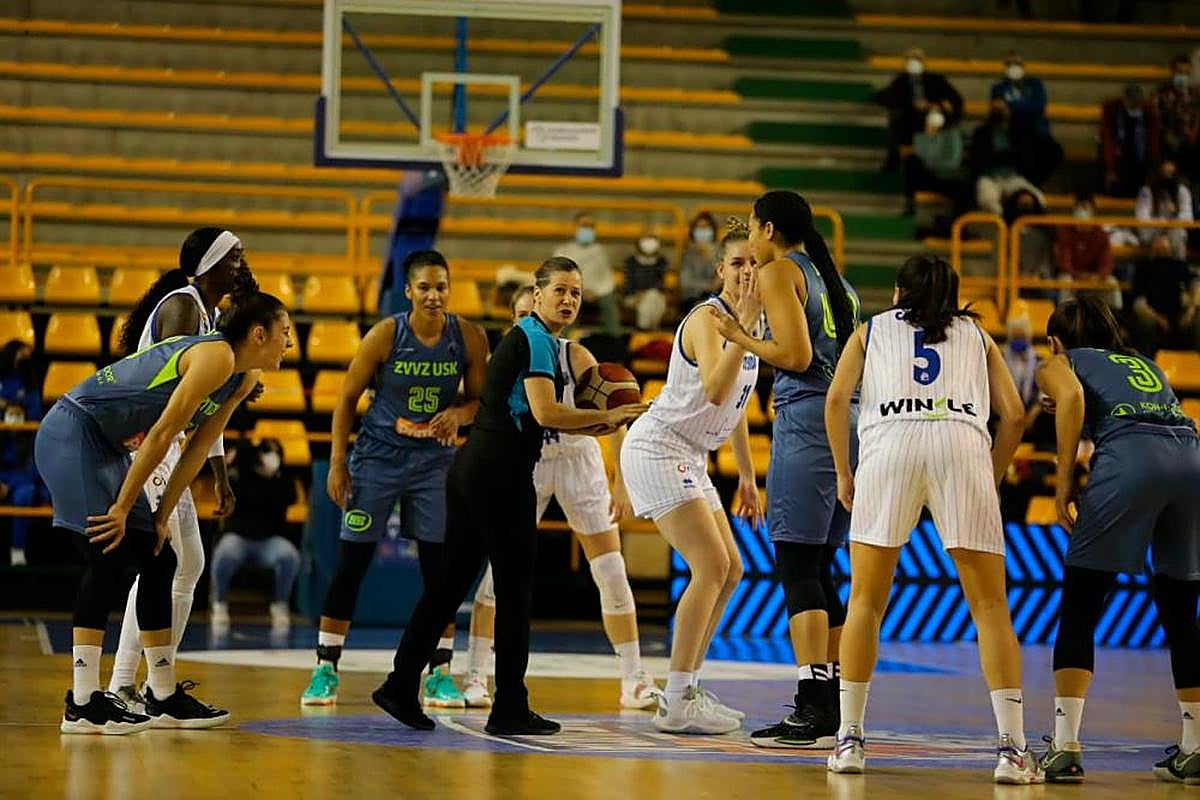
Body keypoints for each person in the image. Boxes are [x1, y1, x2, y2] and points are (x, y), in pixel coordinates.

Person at [373, 257, 645, 736]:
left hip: (474, 469)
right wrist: (610, 417)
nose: (568, 300)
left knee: (449, 586)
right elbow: (546, 413)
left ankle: (399, 684)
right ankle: (510, 707)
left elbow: (547, 416)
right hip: (500, 474)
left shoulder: (538, 341)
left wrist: (603, 422)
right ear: (537, 295)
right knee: (514, 591)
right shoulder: (535, 338)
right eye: (559, 290)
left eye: (576, 293)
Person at [824, 255, 1039, 783]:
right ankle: (1013, 751)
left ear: (900, 292)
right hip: (961, 445)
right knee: (990, 607)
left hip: (889, 446)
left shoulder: (870, 330)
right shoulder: (978, 335)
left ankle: (849, 740)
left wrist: (844, 472)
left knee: (865, 602)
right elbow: (1014, 414)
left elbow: (836, 400)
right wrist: (990, 473)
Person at [35, 291, 289, 733]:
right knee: (107, 552)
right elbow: (162, 433)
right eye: (285, 333)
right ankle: (81, 702)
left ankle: (164, 695)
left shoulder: (243, 377)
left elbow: (196, 449)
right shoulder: (215, 356)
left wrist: (159, 516)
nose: (290, 342)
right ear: (258, 334)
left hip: (109, 447)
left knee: (159, 558)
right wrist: (121, 507)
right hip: (73, 430)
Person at [301, 250, 490, 710]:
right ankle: (325, 668)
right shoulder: (386, 334)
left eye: (441, 286)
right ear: (408, 291)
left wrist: (459, 414)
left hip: (434, 462)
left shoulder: (468, 336)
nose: (433, 295)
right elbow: (346, 400)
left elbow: (480, 403)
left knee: (439, 572)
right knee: (353, 563)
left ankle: (439, 673)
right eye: (424, 287)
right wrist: (339, 462)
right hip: (378, 458)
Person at [712, 192, 859, 749]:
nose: (750, 238)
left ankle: (811, 706)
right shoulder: (836, 280)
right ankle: (835, 702)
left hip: (809, 420)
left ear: (769, 230)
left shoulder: (780, 272)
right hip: (849, 420)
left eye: (752, 227)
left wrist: (740, 336)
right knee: (821, 568)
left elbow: (796, 357)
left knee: (798, 566)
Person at [462, 286, 654, 711]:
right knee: (497, 575)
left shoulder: (575, 355)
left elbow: (612, 410)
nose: (528, 322)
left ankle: (634, 680)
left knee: (611, 571)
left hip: (579, 460)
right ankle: (475, 676)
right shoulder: (504, 361)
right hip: (526, 463)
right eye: (520, 316)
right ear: (513, 320)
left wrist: (622, 480)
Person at [1034, 297, 1200, 784]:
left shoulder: (1059, 362)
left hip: (1130, 459)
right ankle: (1195, 746)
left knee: (1081, 605)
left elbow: (1072, 398)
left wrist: (1064, 485)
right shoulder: (1144, 363)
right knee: (1180, 608)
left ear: (1055, 341)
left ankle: (1065, 744)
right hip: (1191, 459)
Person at [622, 220, 762, 734]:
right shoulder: (709, 319)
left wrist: (746, 474)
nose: (747, 271)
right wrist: (743, 332)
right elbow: (717, 389)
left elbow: (738, 404)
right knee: (710, 567)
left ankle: (690, 688)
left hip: (693, 452)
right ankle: (675, 700)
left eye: (755, 262)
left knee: (732, 570)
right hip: (659, 446)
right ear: (720, 270)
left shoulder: (753, 325)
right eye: (738, 263)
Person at [107, 227, 255, 708]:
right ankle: (126, 683)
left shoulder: (208, 316)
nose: (241, 264)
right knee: (161, 561)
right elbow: (177, 392)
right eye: (234, 257)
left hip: (169, 442)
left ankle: (155, 683)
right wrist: (232, 379)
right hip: (147, 439)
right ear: (208, 265)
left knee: (188, 563)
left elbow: (201, 405)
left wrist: (220, 473)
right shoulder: (182, 307)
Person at [210, 438, 300, 630]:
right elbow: (237, 493)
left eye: (275, 453)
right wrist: (245, 463)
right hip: (239, 537)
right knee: (225, 553)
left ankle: (280, 604)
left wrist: (274, 476)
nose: (270, 457)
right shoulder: (242, 474)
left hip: (269, 541)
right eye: (266, 452)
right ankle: (219, 603)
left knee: (289, 555)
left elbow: (291, 498)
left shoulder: (282, 478)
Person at [874, 48, 964, 171]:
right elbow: (883, 97)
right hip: (910, 117)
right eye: (910, 59)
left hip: (933, 114)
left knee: (936, 119)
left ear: (923, 61)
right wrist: (909, 103)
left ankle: (938, 162)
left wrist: (935, 105)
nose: (914, 62)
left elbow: (956, 99)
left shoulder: (936, 80)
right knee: (896, 117)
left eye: (917, 59)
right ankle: (894, 160)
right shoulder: (901, 81)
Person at [0, 339, 46, 566]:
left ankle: (17, 550)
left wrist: (10, 484)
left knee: (25, 493)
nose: (23, 360)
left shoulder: (31, 388)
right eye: (19, 355)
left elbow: (33, 465)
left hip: (18, 473)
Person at [990, 53, 1063, 186]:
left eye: (1017, 63)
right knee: (1023, 153)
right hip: (1013, 131)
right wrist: (1023, 107)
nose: (1014, 67)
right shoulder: (998, 88)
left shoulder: (1035, 85)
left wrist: (1011, 106)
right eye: (1010, 64)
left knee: (1056, 154)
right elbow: (998, 109)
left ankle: (1034, 183)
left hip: (1037, 130)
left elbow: (1038, 107)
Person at [971, 99, 1048, 216]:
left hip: (1012, 177)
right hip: (989, 177)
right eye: (996, 109)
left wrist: (998, 155)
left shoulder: (1017, 133)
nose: (999, 112)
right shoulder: (981, 133)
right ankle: (1005, 221)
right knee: (987, 201)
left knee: (1039, 198)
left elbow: (1023, 156)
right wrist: (1005, 155)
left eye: (1002, 109)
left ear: (1008, 111)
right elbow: (980, 158)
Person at [1129, 233, 1200, 357]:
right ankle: (1146, 362)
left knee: (1197, 321)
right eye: (1158, 244)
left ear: (1170, 247)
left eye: (1164, 244)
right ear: (1152, 247)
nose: (1161, 246)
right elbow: (1139, 303)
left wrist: (1190, 310)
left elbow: (1196, 284)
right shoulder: (1144, 269)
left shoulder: (1180, 266)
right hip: (1153, 316)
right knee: (1145, 323)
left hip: (1181, 315)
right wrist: (1158, 318)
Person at [555, 211, 619, 336]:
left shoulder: (600, 251)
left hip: (598, 293)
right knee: (566, 304)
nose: (587, 229)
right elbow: (558, 276)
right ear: (576, 227)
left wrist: (596, 291)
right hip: (572, 291)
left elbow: (607, 278)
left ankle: (614, 340)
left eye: (590, 226)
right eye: (584, 225)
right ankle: (565, 340)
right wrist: (580, 290)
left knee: (610, 306)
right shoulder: (563, 250)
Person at [1055, 193, 1120, 308]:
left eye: (1085, 207)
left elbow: (1107, 263)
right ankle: (1063, 315)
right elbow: (1065, 264)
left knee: (1112, 282)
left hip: (1095, 278)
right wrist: (1079, 276)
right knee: (1065, 281)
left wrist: (1098, 276)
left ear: (1092, 211)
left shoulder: (1101, 233)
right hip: (1073, 277)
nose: (1081, 211)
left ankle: (1114, 315)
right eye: (1078, 207)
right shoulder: (1065, 232)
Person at [902, 107, 969, 217]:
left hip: (947, 177)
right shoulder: (920, 137)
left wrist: (931, 165)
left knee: (964, 188)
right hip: (928, 176)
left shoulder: (952, 135)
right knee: (911, 161)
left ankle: (954, 221)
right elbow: (922, 158)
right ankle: (910, 204)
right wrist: (929, 136)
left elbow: (953, 162)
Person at [1101, 85, 1160, 198]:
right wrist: (1110, 171)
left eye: (1137, 106)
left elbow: (1154, 142)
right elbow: (1107, 141)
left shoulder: (1149, 110)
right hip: (1119, 158)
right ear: (1125, 100)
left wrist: (1152, 172)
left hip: (1141, 158)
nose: (1134, 109)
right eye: (1132, 106)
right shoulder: (1112, 109)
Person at [1136, 158, 1193, 261]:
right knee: (1160, 243)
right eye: (1164, 174)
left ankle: (1178, 267)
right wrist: (1161, 225)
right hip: (1153, 231)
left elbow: (1189, 218)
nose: (1168, 178)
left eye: (1171, 174)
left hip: (1174, 230)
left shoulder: (1182, 191)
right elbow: (1142, 218)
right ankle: (1155, 268)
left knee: (1177, 235)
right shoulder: (1147, 191)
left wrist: (1175, 214)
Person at [1153, 56, 1200, 180]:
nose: (1183, 76)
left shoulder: (1195, 95)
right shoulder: (1161, 93)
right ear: (1172, 72)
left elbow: (1196, 120)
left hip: (1190, 144)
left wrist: (1192, 134)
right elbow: (1155, 119)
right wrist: (1166, 133)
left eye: (1186, 73)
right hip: (1168, 143)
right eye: (1180, 72)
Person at [622, 229, 669, 330]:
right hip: (633, 296)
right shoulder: (630, 261)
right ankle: (652, 330)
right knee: (650, 300)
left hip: (655, 295)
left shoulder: (661, 261)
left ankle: (643, 328)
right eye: (646, 238)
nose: (649, 241)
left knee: (652, 297)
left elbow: (659, 283)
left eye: (651, 238)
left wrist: (645, 294)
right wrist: (637, 295)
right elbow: (628, 284)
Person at [678, 212, 720, 310]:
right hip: (693, 298)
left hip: (716, 297)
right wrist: (709, 286)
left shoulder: (720, 251)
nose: (703, 231)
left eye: (706, 227)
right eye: (699, 227)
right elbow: (686, 282)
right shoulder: (688, 253)